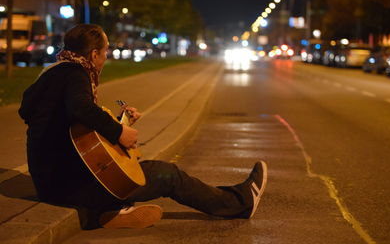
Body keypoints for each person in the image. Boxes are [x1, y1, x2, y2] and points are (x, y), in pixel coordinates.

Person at [18, 24, 267, 229]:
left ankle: (105, 214)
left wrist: (119, 122)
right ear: (93, 55)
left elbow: (70, 126)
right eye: (105, 52)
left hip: (52, 183)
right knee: (168, 174)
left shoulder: (54, 73)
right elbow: (80, 108)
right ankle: (240, 202)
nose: (106, 58)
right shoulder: (76, 73)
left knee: (133, 171)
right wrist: (119, 133)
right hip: (73, 187)